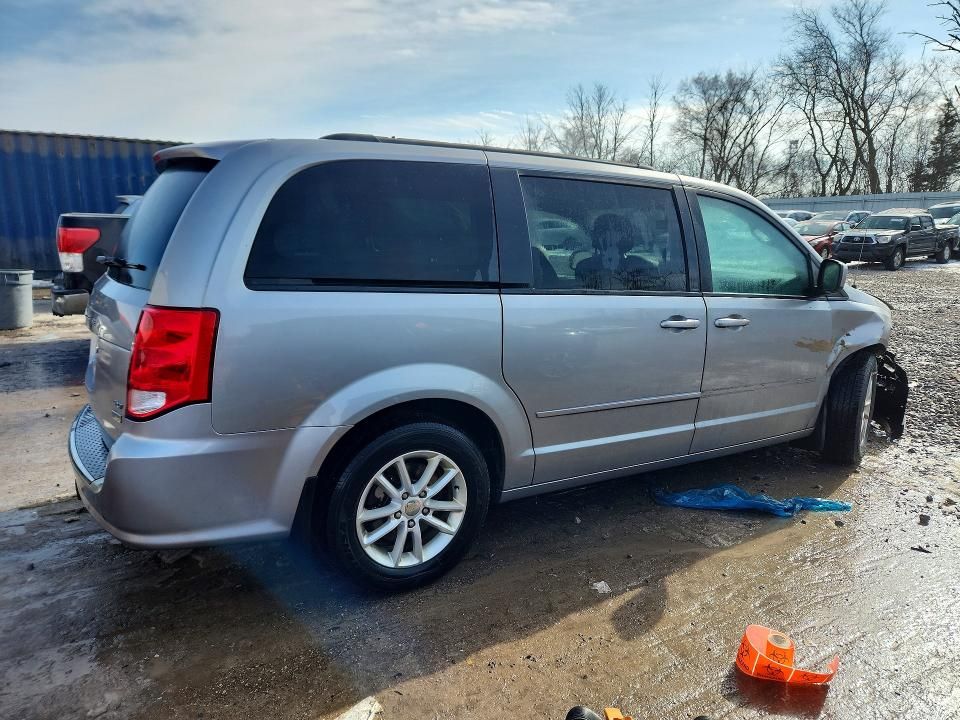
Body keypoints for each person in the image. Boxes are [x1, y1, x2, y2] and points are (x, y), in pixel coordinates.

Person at [574, 213, 657, 290]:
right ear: (596, 236)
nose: (609, 236)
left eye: (616, 231)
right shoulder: (585, 267)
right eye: (603, 231)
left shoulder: (642, 266)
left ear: (625, 236)